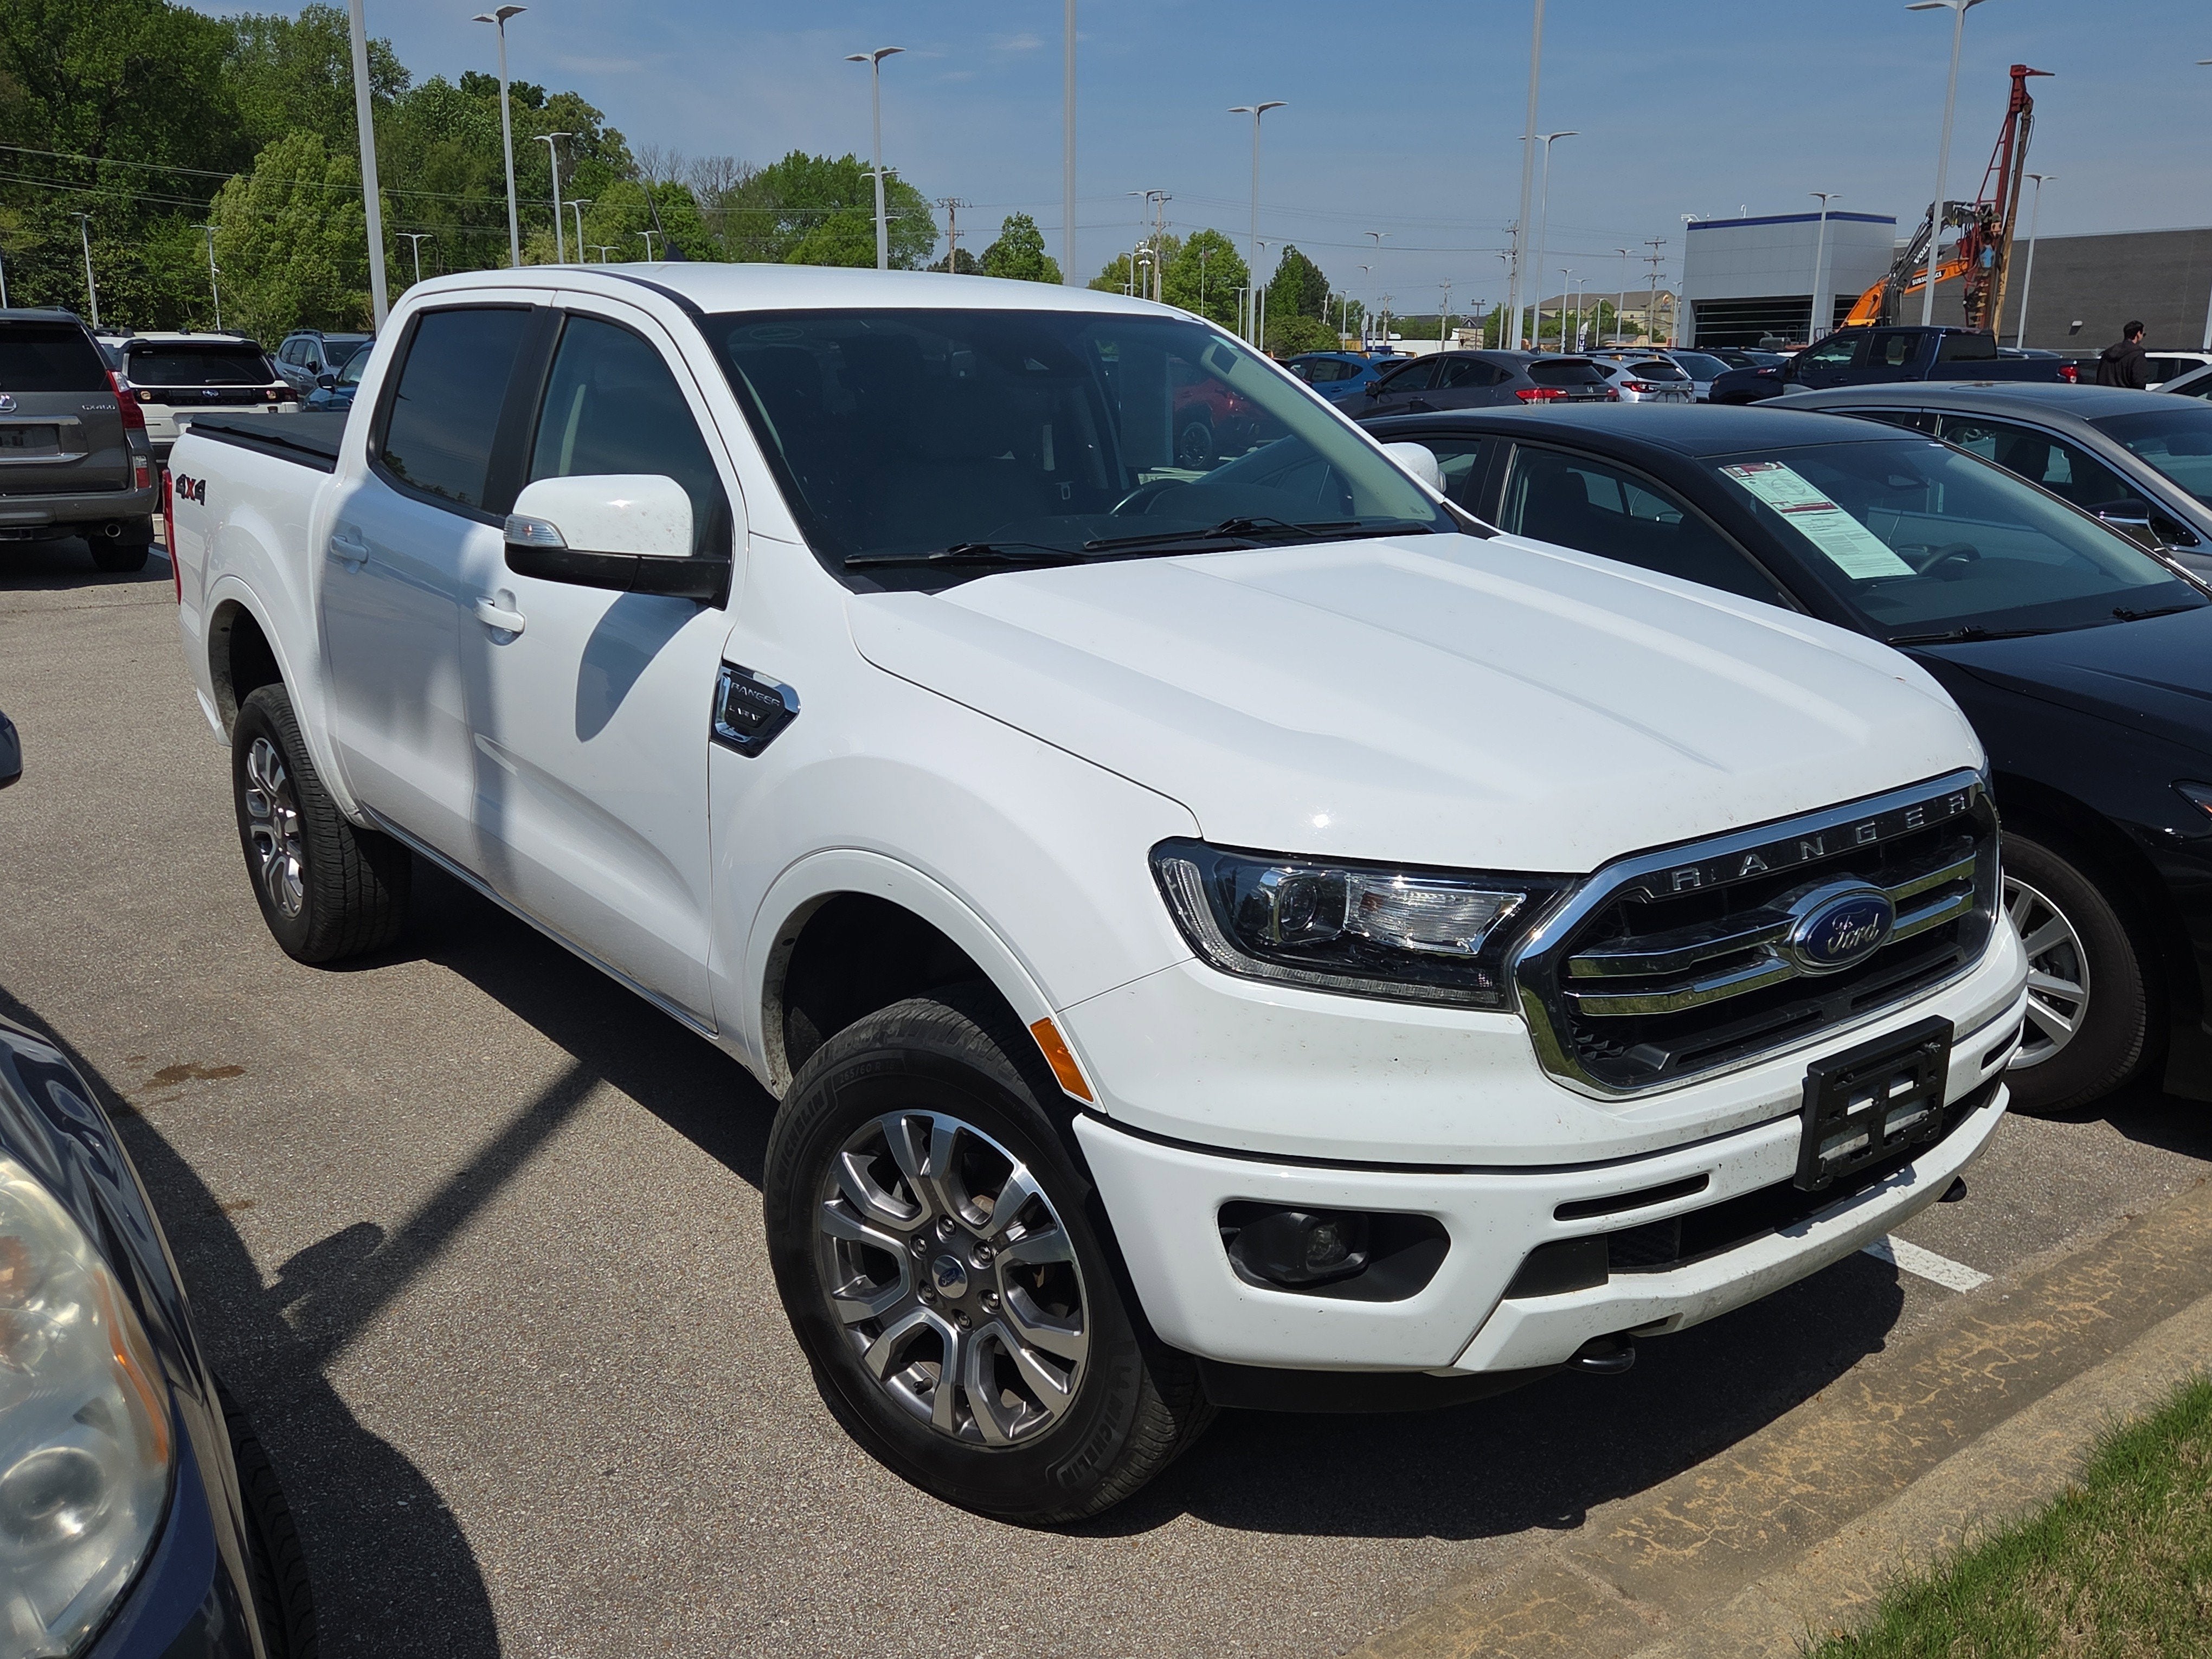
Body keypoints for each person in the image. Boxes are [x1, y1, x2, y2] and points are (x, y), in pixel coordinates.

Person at [2094, 320, 2151, 389]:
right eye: (2143, 335)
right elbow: (2139, 382)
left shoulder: (2107, 353)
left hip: (2106, 396)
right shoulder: (2137, 354)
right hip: (2127, 396)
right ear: (2138, 334)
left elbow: (2100, 378)